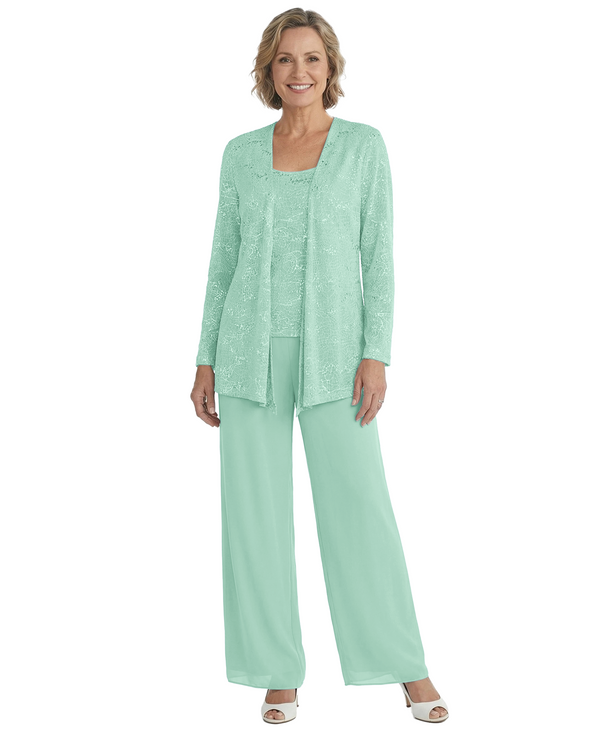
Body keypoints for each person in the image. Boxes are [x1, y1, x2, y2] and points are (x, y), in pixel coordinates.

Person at [191, 8, 449, 725]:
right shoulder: (241, 154)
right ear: (268, 71)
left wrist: (377, 353)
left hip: (337, 355)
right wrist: (205, 357)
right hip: (247, 353)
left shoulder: (363, 147)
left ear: (330, 67)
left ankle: (405, 663)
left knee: (359, 507)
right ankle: (277, 672)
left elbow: (380, 258)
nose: (298, 72)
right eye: (284, 59)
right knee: (254, 516)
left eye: (311, 58)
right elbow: (222, 262)